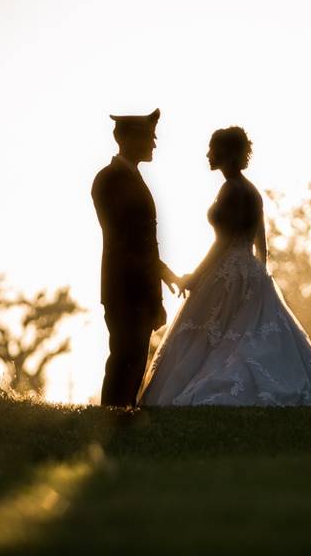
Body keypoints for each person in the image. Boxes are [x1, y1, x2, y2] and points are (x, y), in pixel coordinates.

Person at [138, 126, 311, 407]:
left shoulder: (232, 189)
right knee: (238, 334)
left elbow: (222, 244)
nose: (207, 154)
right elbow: (261, 244)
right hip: (248, 270)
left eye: (212, 149)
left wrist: (194, 277)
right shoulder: (250, 190)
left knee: (214, 335)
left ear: (227, 153)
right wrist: (257, 275)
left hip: (229, 271)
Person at [91, 108, 183, 407]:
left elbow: (143, 242)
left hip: (139, 286)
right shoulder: (109, 179)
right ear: (129, 139)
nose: (155, 144)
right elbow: (128, 241)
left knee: (134, 359)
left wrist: (161, 282)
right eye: (150, 138)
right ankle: (113, 418)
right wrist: (162, 277)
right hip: (125, 286)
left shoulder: (129, 177)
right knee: (124, 358)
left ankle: (122, 417)